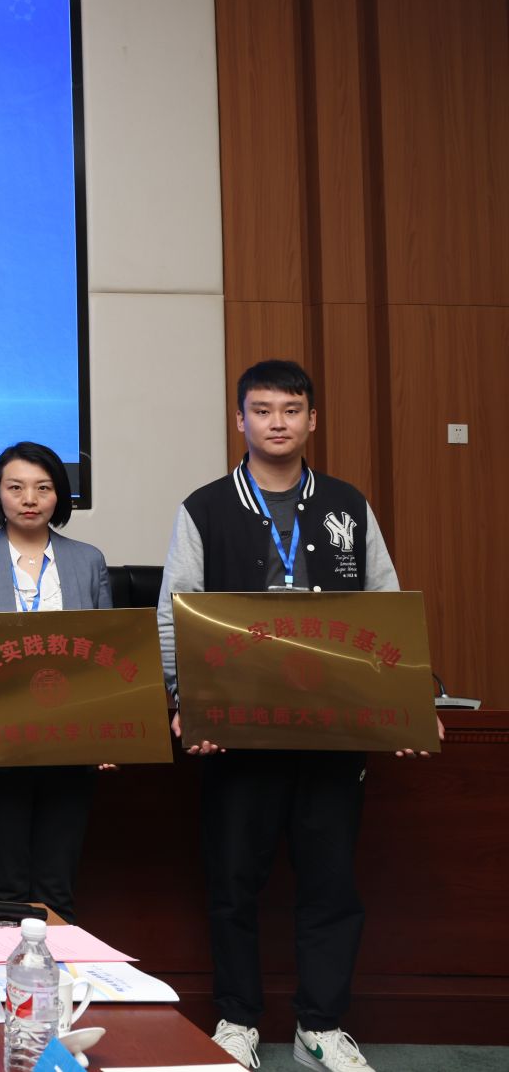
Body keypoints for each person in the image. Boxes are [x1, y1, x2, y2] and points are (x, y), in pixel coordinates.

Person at [159, 360, 434, 1072]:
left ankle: (321, 1027)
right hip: (237, 733)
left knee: (330, 884)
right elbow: (174, 614)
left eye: (290, 410)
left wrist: (409, 703)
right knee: (233, 885)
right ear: (240, 420)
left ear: (312, 419)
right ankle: (237, 1021)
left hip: (331, 735)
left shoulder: (346, 504)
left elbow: (385, 608)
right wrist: (187, 703)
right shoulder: (205, 508)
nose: (276, 422)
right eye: (262, 410)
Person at [0, 441, 113, 924]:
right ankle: (2, 974)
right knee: (3, 882)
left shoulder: (88, 560)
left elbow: (107, 655)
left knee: (57, 885)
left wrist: (108, 733)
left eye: (43, 487)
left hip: (70, 742)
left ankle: (53, 973)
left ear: (60, 495)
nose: (30, 499)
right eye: (16, 488)